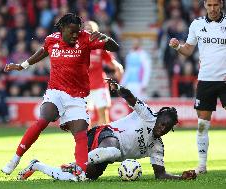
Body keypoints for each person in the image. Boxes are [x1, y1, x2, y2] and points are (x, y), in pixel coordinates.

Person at [1, 13, 119, 179]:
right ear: (62, 29)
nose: (75, 35)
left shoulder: (85, 38)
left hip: (77, 97)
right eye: (71, 31)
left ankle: (80, 170)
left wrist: (106, 38)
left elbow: (116, 48)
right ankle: (15, 158)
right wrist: (22, 66)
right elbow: (42, 52)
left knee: (81, 134)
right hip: (55, 91)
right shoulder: (52, 39)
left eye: (77, 31)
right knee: (43, 119)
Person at [16, 79, 197, 181]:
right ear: (158, 118)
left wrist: (181, 178)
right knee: (112, 149)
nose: (161, 128)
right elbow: (131, 97)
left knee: (79, 179)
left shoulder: (157, 147)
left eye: (166, 128)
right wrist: (118, 88)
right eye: (162, 123)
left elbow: (160, 174)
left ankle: (37, 165)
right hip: (103, 134)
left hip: (105, 156)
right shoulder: (148, 115)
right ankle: (77, 163)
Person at [169, 0, 226, 174]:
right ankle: (202, 165)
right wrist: (178, 46)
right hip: (205, 80)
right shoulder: (197, 24)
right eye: (209, 5)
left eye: (216, 5)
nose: (213, 8)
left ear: (221, 4)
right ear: (205, 5)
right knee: (202, 125)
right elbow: (188, 50)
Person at [84, 21, 123, 126]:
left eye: (91, 27)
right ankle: (87, 140)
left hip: (99, 84)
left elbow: (109, 61)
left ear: (96, 31)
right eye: (86, 27)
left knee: (103, 114)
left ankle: (103, 138)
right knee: (84, 116)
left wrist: (117, 67)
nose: (88, 28)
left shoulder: (100, 45)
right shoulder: (78, 46)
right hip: (83, 86)